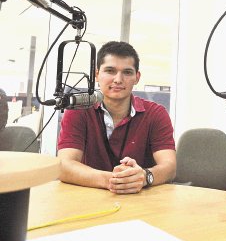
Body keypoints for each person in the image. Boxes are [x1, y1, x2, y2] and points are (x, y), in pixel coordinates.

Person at [57, 41, 176, 194]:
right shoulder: (78, 110)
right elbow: (64, 165)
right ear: (97, 74)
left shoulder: (156, 113)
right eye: (110, 70)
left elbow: (169, 166)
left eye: (127, 72)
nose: (118, 79)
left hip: (141, 200)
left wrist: (145, 177)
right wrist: (112, 180)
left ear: (137, 77)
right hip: (89, 198)